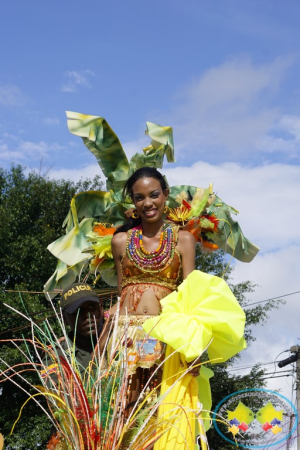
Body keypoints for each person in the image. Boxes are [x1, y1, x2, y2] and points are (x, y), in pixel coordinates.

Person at [110, 167, 200, 406]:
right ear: (133, 201)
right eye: (139, 198)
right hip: (125, 337)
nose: (148, 203)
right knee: (123, 409)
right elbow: (121, 292)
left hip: (165, 336)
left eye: (154, 194)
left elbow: (189, 296)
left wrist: (192, 346)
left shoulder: (184, 239)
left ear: (165, 195)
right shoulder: (120, 241)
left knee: (161, 408)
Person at [41, 282, 109, 384]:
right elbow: (64, 396)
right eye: (78, 311)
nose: (87, 315)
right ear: (64, 318)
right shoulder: (55, 356)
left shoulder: (121, 336)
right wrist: (99, 350)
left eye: (91, 307)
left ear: (101, 308)